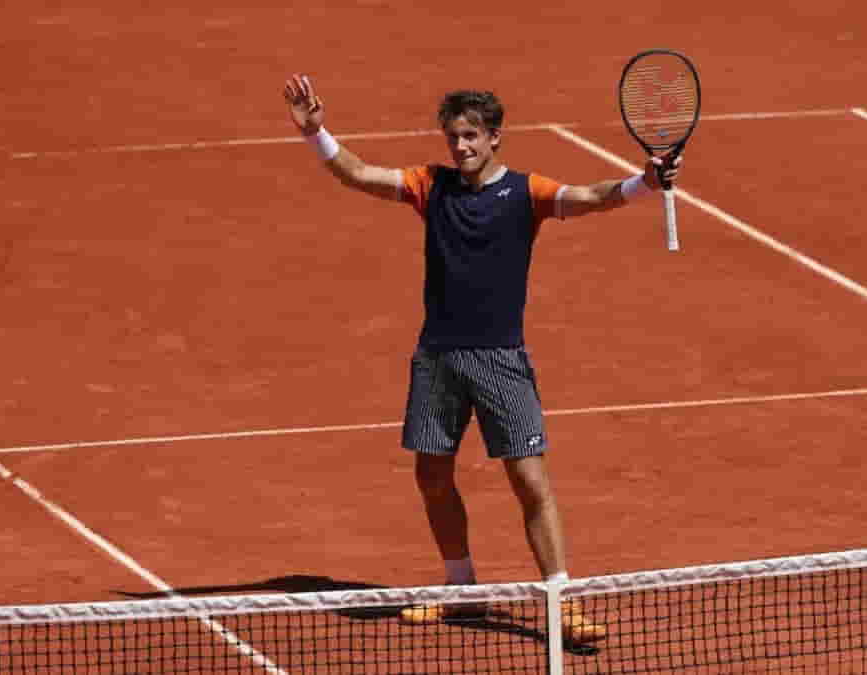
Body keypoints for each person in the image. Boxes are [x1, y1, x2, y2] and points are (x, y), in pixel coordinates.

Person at [282, 74, 680, 644]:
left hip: (501, 361)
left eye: (471, 137)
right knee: (431, 474)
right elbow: (360, 174)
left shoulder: (526, 193)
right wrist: (316, 134)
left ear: (495, 138)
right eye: (454, 138)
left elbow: (592, 197)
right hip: (438, 357)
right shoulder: (430, 186)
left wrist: (644, 183)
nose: (461, 147)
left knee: (529, 479)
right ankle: (462, 588)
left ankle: (561, 599)